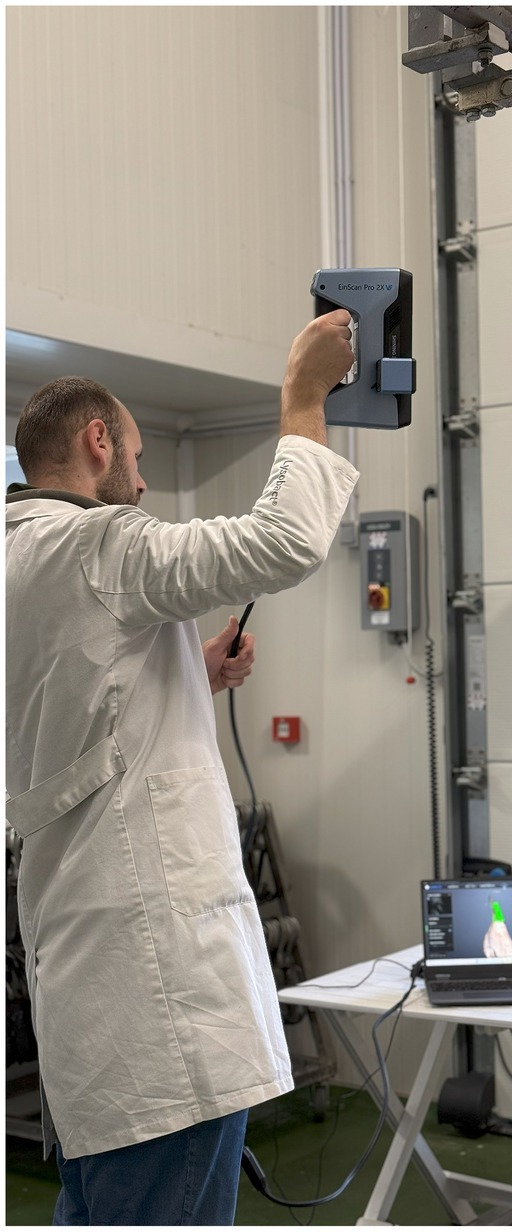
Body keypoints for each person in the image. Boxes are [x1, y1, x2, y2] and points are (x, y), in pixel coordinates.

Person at [5, 310, 358, 1226]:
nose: (142, 480)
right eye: (135, 457)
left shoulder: (17, 558)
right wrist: (303, 398)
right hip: (157, 1002)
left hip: (91, 995)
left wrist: (189, 672)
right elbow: (282, 542)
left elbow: (66, 718)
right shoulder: (96, 544)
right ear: (97, 442)